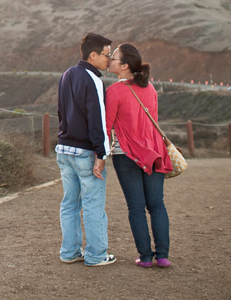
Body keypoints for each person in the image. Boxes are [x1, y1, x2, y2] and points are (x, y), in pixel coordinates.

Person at [105, 43, 172, 268]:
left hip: (126, 154)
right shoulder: (150, 88)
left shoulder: (114, 91)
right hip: (154, 152)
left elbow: (106, 126)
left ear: (124, 66)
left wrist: (100, 154)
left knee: (136, 207)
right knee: (157, 205)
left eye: (113, 58)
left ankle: (145, 257)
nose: (109, 60)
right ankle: (162, 256)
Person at [56, 33, 116, 266]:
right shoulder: (93, 79)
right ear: (93, 55)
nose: (108, 60)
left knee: (69, 203)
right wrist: (102, 154)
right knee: (93, 204)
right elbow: (97, 121)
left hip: (63, 148)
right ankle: (96, 255)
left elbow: (62, 112)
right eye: (106, 55)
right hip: (84, 152)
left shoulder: (66, 75)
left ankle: (69, 252)